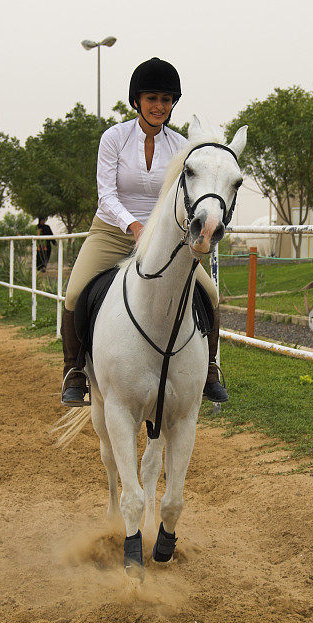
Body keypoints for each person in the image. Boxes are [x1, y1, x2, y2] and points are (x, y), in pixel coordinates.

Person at [60, 57, 229, 407]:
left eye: (166, 100)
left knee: (210, 295)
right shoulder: (114, 138)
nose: (159, 106)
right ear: (137, 100)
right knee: (75, 293)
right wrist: (134, 225)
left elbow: (183, 198)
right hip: (111, 230)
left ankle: (210, 369)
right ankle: (74, 371)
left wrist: (167, 231)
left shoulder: (182, 147)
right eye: (152, 98)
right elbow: (106, 195)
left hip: (163, 238)